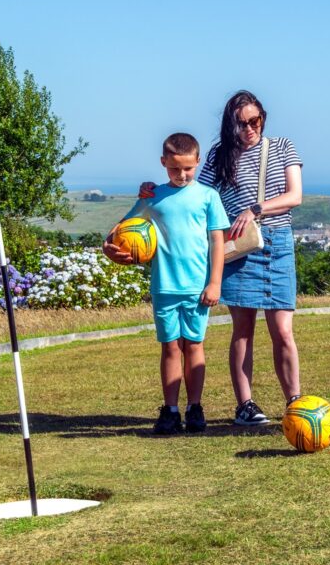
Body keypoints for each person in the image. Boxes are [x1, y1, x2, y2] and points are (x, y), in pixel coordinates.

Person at [140, 90, 304, 426]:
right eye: (241, 123)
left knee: (282, 330)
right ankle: (245, 405)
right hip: (239, 246)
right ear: (230, 125)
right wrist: (151, 191)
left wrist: (255, 209)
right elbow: (191, 192)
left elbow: (295, 195)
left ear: (263, 118)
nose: (248, 129)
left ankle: (295, 401)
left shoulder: (284, 146)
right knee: (242, 329)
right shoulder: (218, 155)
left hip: (276, 241)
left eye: (254, 121)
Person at [104, 133, 229, 435]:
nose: (182, 175)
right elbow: (122, 230)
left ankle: (195, 408)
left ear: (198, 162)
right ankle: (170, 410)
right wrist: (109, 246)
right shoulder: (152, 196)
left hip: (198, 288)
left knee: (195, 346)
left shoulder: (208, 196)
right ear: (163, 163)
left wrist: (215, 283)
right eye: (174, 169)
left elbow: (217, 241)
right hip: (164, 287)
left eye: (188, 168)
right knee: (171, 348)